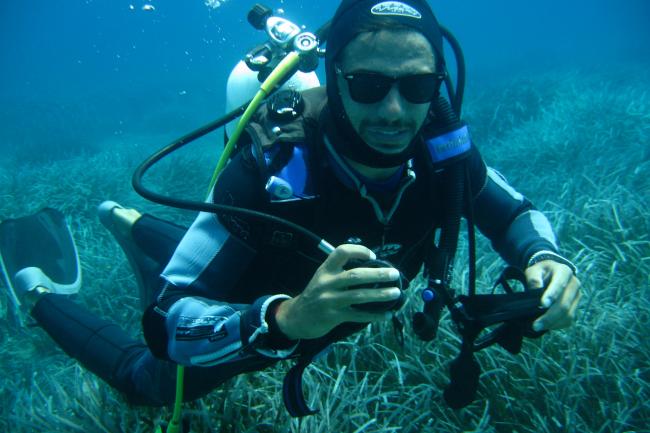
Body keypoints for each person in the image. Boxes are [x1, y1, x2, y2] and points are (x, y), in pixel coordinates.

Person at [3, 0, 581, 412]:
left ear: (439, 86)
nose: (397, 112)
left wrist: (548, 259)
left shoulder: (446, 152)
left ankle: (125, 222)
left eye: (419, 87)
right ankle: (38, 293)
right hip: (257, 306)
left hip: (303, 296)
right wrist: (286, 319)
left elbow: (514, 214)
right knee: (149, 385)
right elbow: (166, 319)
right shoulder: (273, 170)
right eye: (368, 85)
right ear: (334, 77)